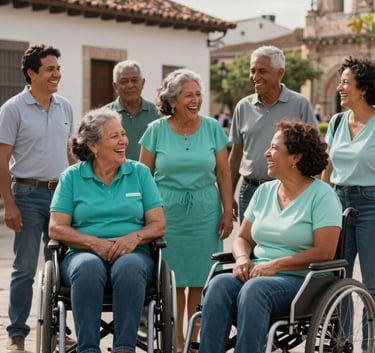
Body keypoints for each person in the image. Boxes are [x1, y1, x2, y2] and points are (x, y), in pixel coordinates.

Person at [199, 120, 343, 353]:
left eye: (274, 148)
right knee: (219, 285)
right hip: (259, 273)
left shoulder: (322, 196)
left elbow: (325, 251)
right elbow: (242, 238)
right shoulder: (264, 192)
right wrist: (243, 259)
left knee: (255, 290)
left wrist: (275, 265)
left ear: (295, 157)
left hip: (304, 280)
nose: (266, 153)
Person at [49, 108, 166, 353]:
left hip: (134, 253)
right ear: (93, 146)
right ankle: (88, 348)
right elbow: (56, 228)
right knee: (88, 267)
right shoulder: (71, 177)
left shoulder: (139, 173)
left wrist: (134, 238)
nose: (124, 141)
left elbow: (158, 224)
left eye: (123, 134)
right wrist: (94, 243)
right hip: (82, 253)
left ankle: (124, 347)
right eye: (115, 137)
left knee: (129, 267)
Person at [139, 68, 233, 352]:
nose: (195, 100)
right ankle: (176, 340)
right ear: (173, 100)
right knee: (174, 280)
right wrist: (143, 216)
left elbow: (224, 174)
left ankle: (193, 341)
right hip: (167, 213)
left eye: (198, 94)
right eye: (188, 95)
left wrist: (227, 211)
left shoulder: (213, 128)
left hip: (205, 211)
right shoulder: (155, 130)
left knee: (201, 279)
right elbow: (143, 175)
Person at [0, 44, 75, 353]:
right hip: (26, 195)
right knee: (25, 268)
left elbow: (71, 154)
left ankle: (59, 328)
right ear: (32, 73)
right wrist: (9, 204)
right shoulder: (12, 109)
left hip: (61, 195)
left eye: (57, 68)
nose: (57, 74)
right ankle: (17, 333)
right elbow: (1, 160)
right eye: (50, 69)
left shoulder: (65, 107)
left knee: (60, 266)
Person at [229, 45, 318, 223]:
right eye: (252, 71)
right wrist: (227, 195)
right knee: (247, 246)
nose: (255, 77)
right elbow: (236, 154)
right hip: (250, 192)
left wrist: (310, 193)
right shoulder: (243, 107)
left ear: (280, 73)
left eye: (262, 71)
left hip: (289, 191)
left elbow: (314, 151)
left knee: (285, 247)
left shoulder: (300, 104)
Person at [321, 56, 375, 353]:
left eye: (345, 82)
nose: (340, 87)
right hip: (338, 202)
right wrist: (321, 200)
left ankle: (370, 345)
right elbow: (327, 168)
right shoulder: (338, 121)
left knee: (371, 283)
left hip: (371, 204)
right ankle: (344, 344)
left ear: (363, 88)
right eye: (339, 82)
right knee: (338, 280)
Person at [105, 60, 159, 160]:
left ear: (142, 83)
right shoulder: (104, 116)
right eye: (124, 81)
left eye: (134, 80)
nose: (130, 85)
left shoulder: (158, 115)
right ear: (115, 86)